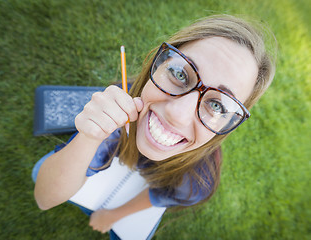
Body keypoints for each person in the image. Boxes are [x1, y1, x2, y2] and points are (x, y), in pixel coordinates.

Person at [32, 14, 276, 239]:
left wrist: (113, 215)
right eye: (181, 74)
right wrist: (89, 136)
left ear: (228, 125)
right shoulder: (121, 111)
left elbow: (160, 196)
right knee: (39, 172)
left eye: (218, 106)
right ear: (157, 65)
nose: (177, 115)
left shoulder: (198, 180)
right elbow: (44, 198)